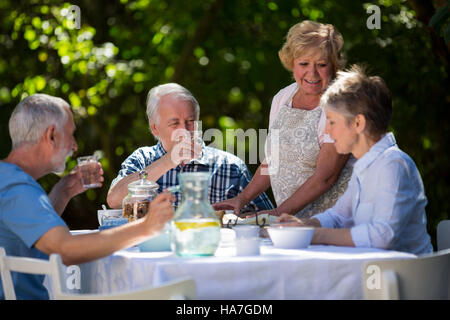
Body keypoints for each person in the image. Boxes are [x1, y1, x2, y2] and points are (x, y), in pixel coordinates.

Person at [0, 94, 174, 299]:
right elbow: (65, 249)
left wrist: (63, 191)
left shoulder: (8, 178)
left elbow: (32, 231)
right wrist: (145, 227)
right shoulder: (16, 187)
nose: (75, 146)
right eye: (71, 135)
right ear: (52, 136)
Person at [277, 65, 433, 254]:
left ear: (358, 123)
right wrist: (302, 225)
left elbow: (383, 237)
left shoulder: (393, 164)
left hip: (405, 278)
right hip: (374, 273)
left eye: (332, 122)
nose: (327, 131)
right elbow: (338, 217)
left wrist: (313, 234)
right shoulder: (364, 165)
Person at [214, 21, 353, 218]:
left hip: (333, 221)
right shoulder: (283, 97)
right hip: (289, 221)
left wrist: (278, 213)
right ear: (291, 62)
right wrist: (242, 199)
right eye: (304, 64)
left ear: (333, 65)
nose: (312, 73)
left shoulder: (340, 104)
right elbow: (273, 161)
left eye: (321, 65)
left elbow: (326, 177)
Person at [106, 83, 273, 212]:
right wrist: (167, 162)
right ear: (154, 128)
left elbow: (265, 218)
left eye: (190, 122)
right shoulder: (142, 159)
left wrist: (232, 222)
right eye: (174, 123)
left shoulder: (230, 167)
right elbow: (114, 201)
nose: (185, 131)